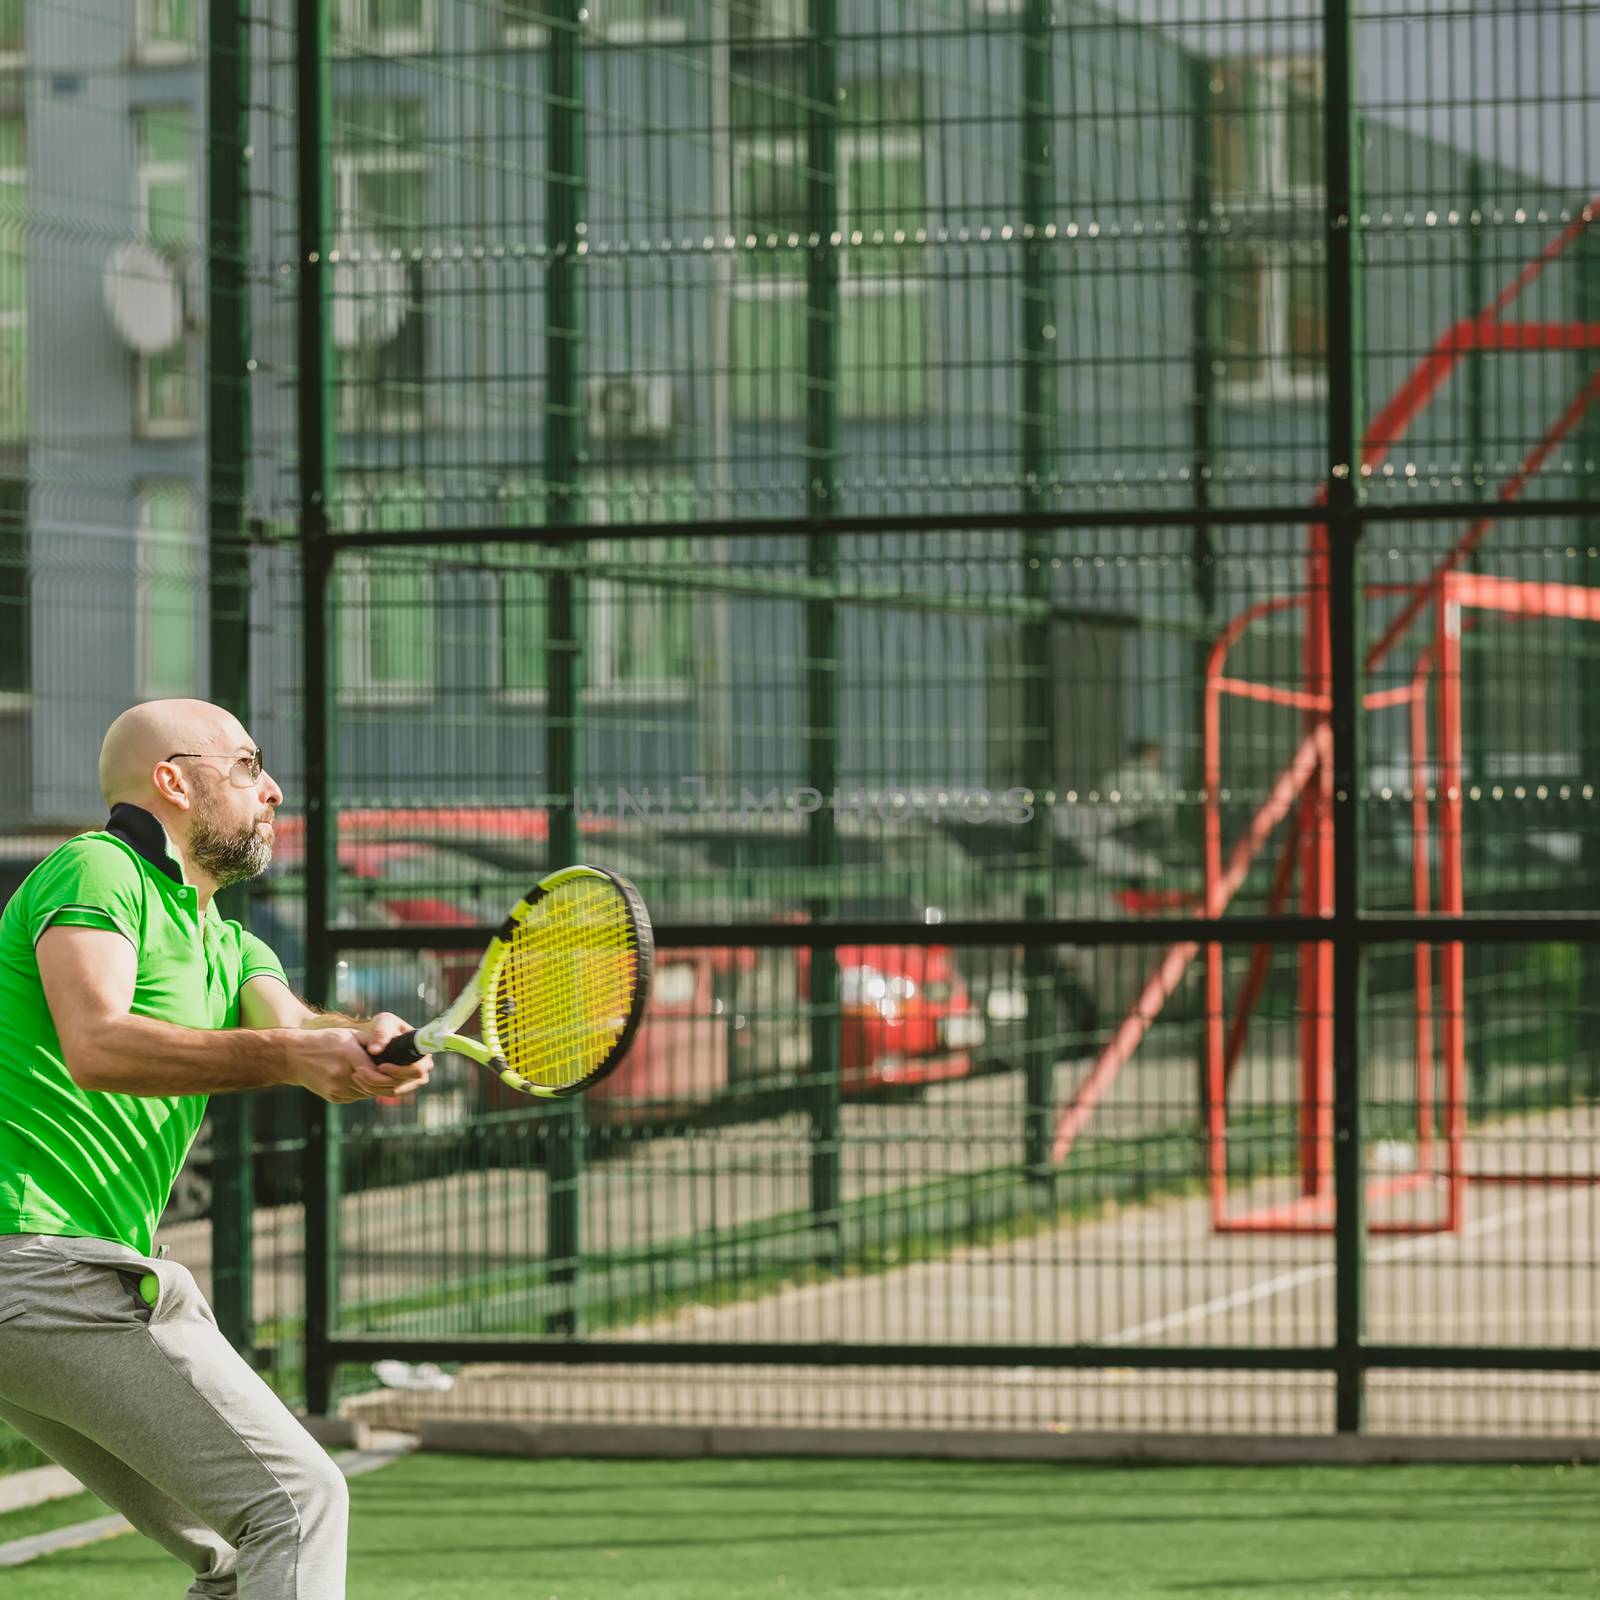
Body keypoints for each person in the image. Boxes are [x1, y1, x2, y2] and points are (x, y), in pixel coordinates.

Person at [0, 698, 433, 1598]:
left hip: (51, 1279)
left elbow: (301, 1033)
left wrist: (362, 1045)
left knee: (244, 1553)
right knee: (298, 1504)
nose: (271, 789)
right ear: (172, 781)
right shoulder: (97, 869)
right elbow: (99, 1043)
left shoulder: (227, 942)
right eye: (245, 765)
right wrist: (295, 1053)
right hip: (37, 1268)